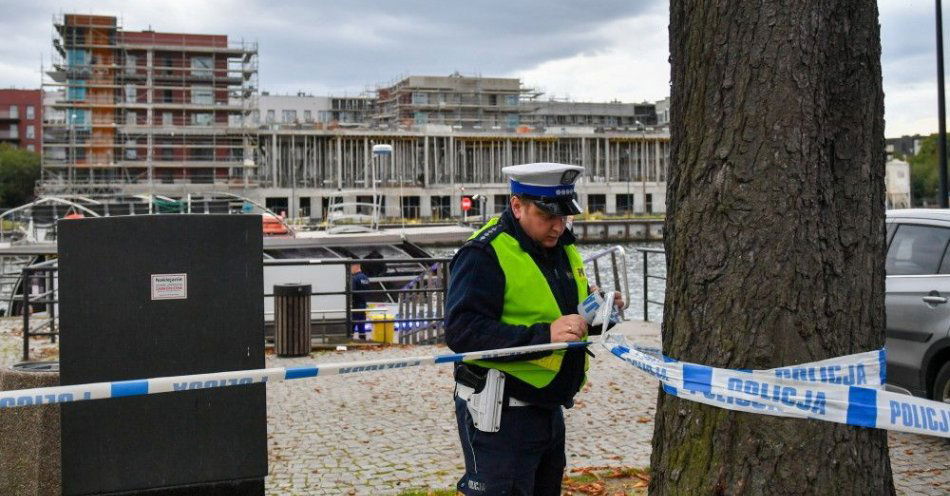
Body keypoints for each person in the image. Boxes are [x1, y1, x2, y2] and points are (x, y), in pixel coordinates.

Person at [445, 162, 623, 495]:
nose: (558, 226)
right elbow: (461, 331)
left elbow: (570, 316)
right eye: (548, 217)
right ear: (517, 206)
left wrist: (604, 312)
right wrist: (545, 336)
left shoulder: (562, 247)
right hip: (499, 417)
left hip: (547, 411)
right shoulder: (484, 253)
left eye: (564, 217)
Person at [350, 263, 371, 340]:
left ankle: (350, 339)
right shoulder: (365, 278)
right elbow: (369, 290)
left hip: (355, 304)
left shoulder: (354, 278)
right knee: (362, 323)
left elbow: (352, 291)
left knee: (351, 324)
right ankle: (362, 339)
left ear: (355, 267)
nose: (350, 270)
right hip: (363, 303)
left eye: (351, 267)